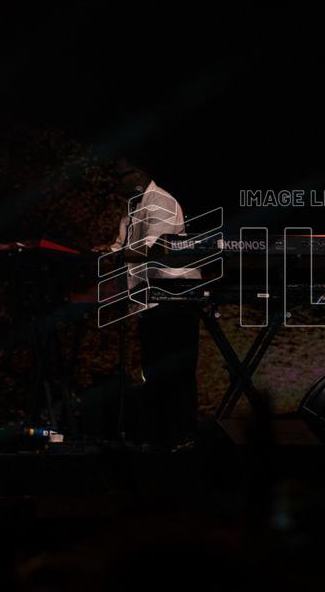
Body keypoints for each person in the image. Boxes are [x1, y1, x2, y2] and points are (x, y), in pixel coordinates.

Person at [106, 157, 201, 452]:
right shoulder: (132, 207)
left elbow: (151, 248)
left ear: (140, 173)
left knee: (178, 371)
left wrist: (118, 256)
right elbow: (122, 245)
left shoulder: (161, 202)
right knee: (155, 371)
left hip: (175, 296)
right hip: (151, 300)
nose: (117, 183)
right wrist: (101, 253)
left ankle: (184, 438)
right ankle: (162, 439)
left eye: (122, 176)